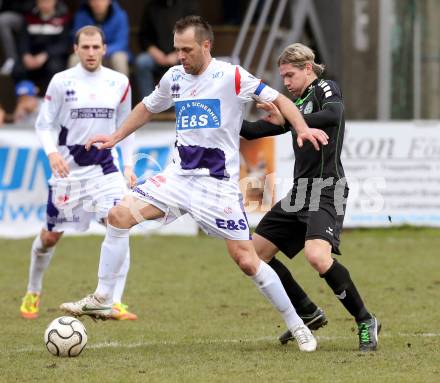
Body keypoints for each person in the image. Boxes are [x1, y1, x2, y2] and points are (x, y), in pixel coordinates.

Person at [60, 16, 330, 352]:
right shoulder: (174, 77)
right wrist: (116, 136)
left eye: (186, 50)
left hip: (216, 187)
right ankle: (103, 297)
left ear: (206, 46)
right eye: (176, 50)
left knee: (247, 260)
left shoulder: (231, 76)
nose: (180, 57)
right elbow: (146, 107)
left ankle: (297, 324)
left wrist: (301, 128)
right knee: (118, 216)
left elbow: (284, 101)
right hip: (176, 178)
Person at [240, 43, 381, 352]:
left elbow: (333, 115)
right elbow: (251, 131)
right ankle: (307, 311)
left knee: (317, 256)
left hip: (327, 189)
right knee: (253, 254)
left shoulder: (325, 88)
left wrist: (289, 119)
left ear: (307, 68)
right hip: (300, 193)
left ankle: (365, 320)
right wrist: (222, 119)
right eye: (283, 78)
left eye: (290, 75)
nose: (286, 84)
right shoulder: (297, 103)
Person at [20, 25, 138, 321]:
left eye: (96, 47)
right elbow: (44, 124)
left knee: (120, 222)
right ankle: (33, 291)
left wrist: (129, 166)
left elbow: (127, 127)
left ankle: (114, 301)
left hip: (105, 169)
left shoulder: (119, 82)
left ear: (104, 48)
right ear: (76, 49)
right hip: (69, 173)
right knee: (49, 238)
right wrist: (52, 153)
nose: (90, 52)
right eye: (85, 47)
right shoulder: (61, 82)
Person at [134, 0, 199, 97]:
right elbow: (143, 36)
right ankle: (148, 105)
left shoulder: (189, 5)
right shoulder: (151, 7)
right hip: (156, 55)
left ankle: (181, 104)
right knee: (142, 62)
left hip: (182, 54)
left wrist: (178, 54)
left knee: (193, 61)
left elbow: (195, 35)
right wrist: (154, 51)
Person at [13, 0, 71, 97]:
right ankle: (25, 100)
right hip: (32, 55)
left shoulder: (64, 17)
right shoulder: (29, 16)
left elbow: (64, 44)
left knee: (54, 67)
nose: (44, 5)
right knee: (17, 69)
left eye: (47, 2)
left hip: (53, 56)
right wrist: (26, 54)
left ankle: (50, 98)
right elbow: (23, 39)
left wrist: (46, 55)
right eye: (41, 2)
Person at [70, 0, 130, 76]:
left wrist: (101, 51)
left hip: (111, 54)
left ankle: (123, 87)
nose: (98, 3)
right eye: (94, 0)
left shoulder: (120, 15)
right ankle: (72, 86)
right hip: (88, 52)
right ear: (89, 2)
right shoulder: (81, 15)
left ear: (109, 1)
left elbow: (121, 43)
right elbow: (77, 40)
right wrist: (91, 51)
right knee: (74, 58)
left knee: (119, 58)